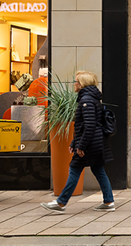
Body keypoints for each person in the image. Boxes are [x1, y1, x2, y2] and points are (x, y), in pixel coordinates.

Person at [41, 71, 115, 213]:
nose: (74, 84)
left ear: (81, 85)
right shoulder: (92, 98)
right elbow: (83, 126)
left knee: (74, 169)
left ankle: (61, 203)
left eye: (76, 81)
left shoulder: (86, 100)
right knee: (98, 170)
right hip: (96, 142)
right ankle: (108, 201)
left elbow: (89, 126)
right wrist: (74, 143)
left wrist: (81, 146)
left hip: (90, 144)